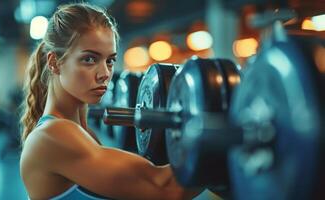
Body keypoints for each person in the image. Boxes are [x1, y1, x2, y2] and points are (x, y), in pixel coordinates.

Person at [19, 3, 202, 200]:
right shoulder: (52, 136)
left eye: (110, 61)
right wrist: (218, 133)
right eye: (89, 59)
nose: (104, 74)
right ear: (54, 63)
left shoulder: (82, 134)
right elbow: (165, 188)